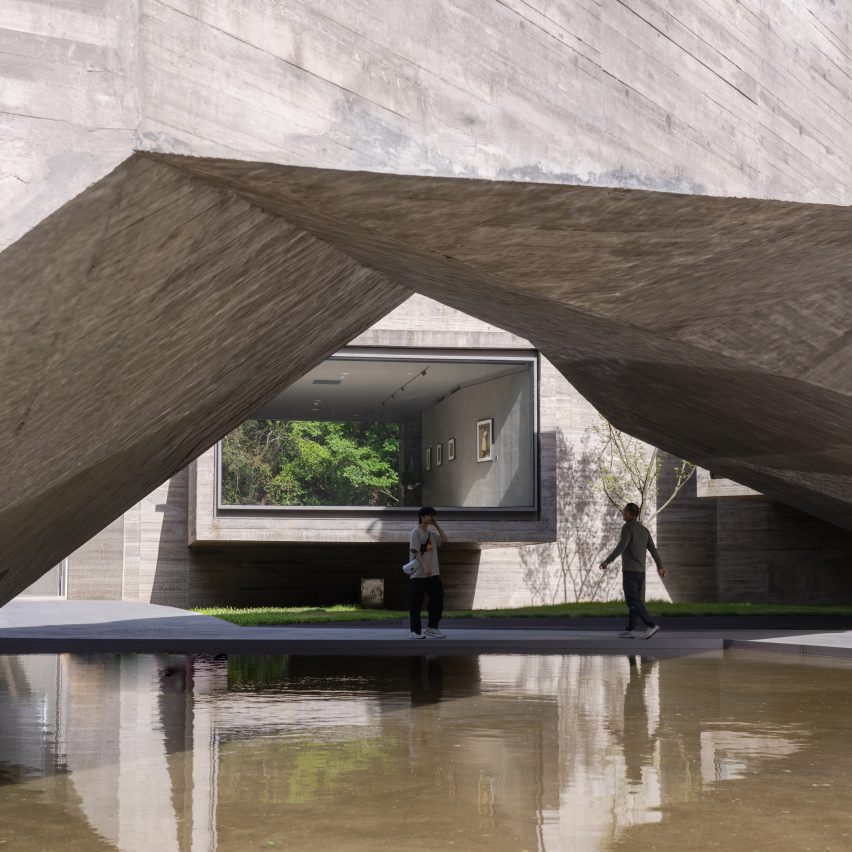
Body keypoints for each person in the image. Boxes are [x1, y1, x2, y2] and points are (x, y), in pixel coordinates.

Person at [600, 502, 667, 639]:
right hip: (640, 572)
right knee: (635, 601)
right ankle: (631, 629)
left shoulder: (627, 527)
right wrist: (660, 566)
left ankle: (651, 625)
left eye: (624, 511)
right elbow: (653, 550)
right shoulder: (644, 530)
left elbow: (621, 546)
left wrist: (607, 560)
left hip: (630, 571)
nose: (623, 513)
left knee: (633, 601)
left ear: (631, 514)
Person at [408, 506, 448, 639]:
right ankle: (415, 631)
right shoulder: (416, 532)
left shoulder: (431, 534)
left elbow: (445, 540)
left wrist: (436, 525)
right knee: (416, 603)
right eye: (430, 515)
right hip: (419, 575)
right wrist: (425, 566)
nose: (432, 517)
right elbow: (415, 551)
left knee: (437, 600)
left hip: (433, 574)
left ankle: (432, 627)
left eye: (433, 515)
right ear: (422, 516)